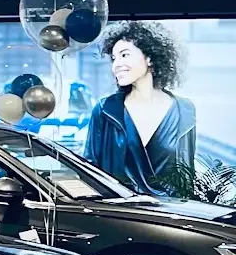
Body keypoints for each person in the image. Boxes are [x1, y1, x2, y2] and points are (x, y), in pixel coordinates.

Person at [84, 21, 197, 197]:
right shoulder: (106, 109)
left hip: (171, 216)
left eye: (124, 55)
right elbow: (90, 168)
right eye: (114, 59)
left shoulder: (185, 110)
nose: (116, 65)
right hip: (121, 215)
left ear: (150, 58)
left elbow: (186, 175)